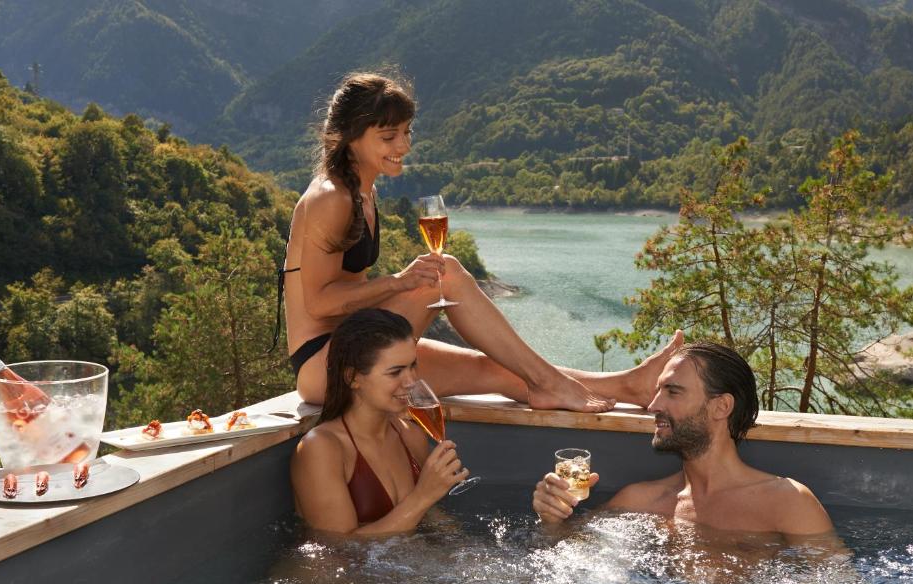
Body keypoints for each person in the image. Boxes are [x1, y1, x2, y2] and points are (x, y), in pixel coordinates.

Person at [280, 70, 682, 413]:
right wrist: (399, 281)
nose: (404, 146)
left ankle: (630, 385)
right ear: (350, 137)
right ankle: (550, 382)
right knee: (445, 274)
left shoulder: (361, 191)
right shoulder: (330, 198)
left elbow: (351, 293)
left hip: (353, 345)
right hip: (324, 365)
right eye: (389, 137)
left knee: (497, 369)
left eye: (406, 132)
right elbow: (318, 302)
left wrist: (396, 286)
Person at [532, 342, 835, 540]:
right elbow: (567, 556)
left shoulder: (788, 502)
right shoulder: (639, 501)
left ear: (721, 406)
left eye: (673, 392)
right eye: (657, 391)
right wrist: (552, 519)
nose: (653, 406)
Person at [291, 308, 468, 534]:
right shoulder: (321, 449)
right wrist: (424, 495)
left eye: (412, 366)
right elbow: (338, 549)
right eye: (395, 372)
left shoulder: (411, 436)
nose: (411, 381)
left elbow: (429, 515)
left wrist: (462, 546)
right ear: (352, 377)